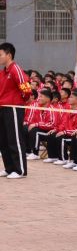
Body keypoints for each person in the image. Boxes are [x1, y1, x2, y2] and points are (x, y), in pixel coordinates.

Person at [0, 42, 32, 179]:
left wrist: (20, 101)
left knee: (15, 138)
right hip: (3, 108)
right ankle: (9, 168)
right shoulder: (3, 72)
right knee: (3, 139)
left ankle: (20, 170)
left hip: (13, 108)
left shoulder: (15, 69)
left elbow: (26, 88)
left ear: (9, 54)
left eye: (0, 54)